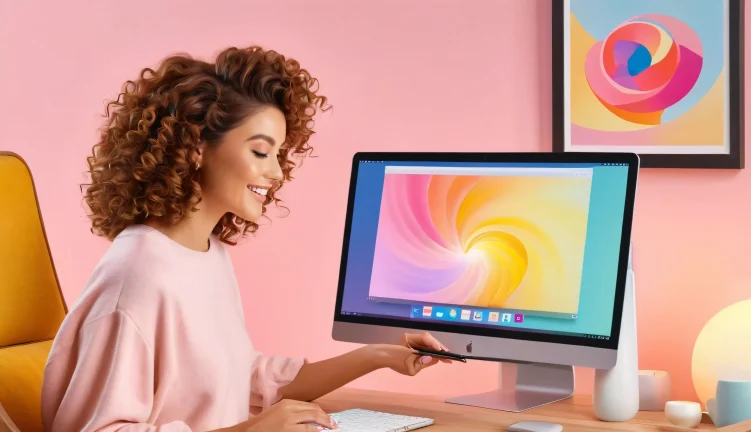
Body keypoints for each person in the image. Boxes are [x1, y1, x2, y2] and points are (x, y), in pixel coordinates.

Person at [41, 45, 449, 432]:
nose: (276, 173)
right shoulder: (137, 277)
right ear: (197, 148)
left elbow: (243, 379)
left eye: (278, 155)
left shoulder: (206, 254)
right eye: (260, 152)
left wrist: (377, 355)